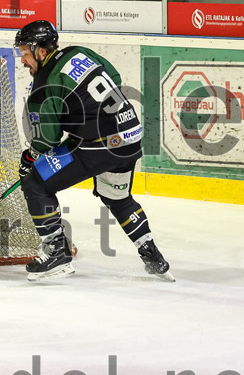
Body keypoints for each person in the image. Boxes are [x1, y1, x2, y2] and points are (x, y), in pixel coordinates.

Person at [13, 19, 172, 282]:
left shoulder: (44, 84)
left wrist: (29, 158)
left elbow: (48, 141)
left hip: (98, 144)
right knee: (117, 197)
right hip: (130, 134)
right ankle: (152, 256)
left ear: (40, 51)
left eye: (25, 53)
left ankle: (56, 255)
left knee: (35, 183)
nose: (23, 61)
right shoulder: (79, 52)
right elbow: (115, 78)